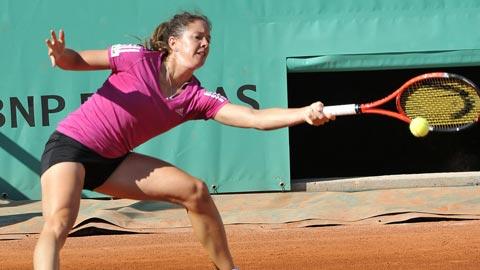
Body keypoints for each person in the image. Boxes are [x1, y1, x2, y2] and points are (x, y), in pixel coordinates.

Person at [33, 11, 334, 270]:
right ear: (174, 43)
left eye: (208, 40)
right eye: (198, 37)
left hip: (113, 161)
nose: (205, 44)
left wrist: (303, 113)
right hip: (71, 146)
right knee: (60, 220)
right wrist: (61, 56)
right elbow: (76, 60)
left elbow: (253, 118)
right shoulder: (136, 59)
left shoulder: (195, 97)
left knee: (195, 192)